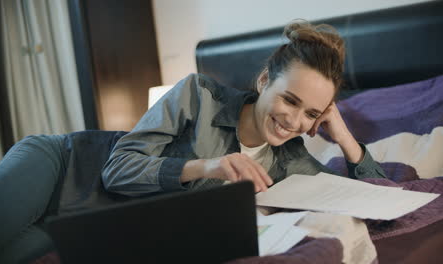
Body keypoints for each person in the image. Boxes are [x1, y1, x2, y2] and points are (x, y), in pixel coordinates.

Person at [101, 20, 386, 197]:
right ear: (264, 81)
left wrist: (346, 140)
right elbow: (116, 171)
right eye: (290, 100)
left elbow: (379, 201)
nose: (294, 121)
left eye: (311, 113)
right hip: (71, 168)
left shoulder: (292, 161)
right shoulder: (197, 95)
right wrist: (208, 167)